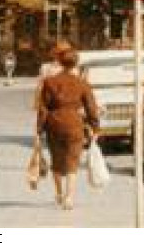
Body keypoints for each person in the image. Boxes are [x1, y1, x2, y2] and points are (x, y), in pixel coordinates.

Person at [36, 42, 99, 210]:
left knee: (56, 160)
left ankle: (58, 192)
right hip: (74, 124)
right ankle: (69, 196)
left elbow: (43, 107)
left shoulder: (49, 82)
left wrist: (39, 129)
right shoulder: (82, 83)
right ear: (76, 63)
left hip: (54, 124)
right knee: (72, 160)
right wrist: (95, 127)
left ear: (60, 62)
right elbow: (91, 107)